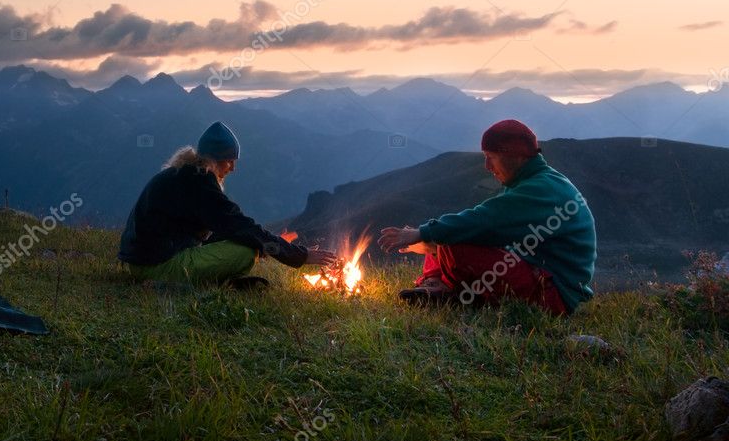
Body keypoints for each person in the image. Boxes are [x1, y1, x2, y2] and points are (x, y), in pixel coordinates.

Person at [378, 119, 597, 315]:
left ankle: (446, 289)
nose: (487, 166)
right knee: (449, 235)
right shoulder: (533, 182)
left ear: (514, 156)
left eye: (491, 157)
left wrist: (422, 235)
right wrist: (432, 239)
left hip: (552, 293)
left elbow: (484, 221)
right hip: (542, 275)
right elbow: (488, 229)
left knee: (451, 240)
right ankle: (438, 284)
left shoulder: (541, 189)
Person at [119, 121, 337, 286]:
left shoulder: (184, 175)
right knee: (244, 253)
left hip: (143, 261)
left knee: (247, 242)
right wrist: (298, 254)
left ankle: (219, 283)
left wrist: (270, 244)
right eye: (230, 161)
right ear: (215, 160)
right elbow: (239, 224)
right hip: (157, 267)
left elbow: (224, 228)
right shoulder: (200, 183)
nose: (233, 168)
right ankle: (196, 284)